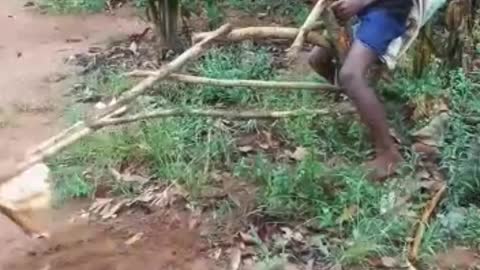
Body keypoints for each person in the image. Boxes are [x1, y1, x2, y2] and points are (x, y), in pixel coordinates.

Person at [309, 0, 413, 181]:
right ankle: (356, 99)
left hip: (387, 12)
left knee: (350, 75)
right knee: (317, 60)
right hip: (364, 12)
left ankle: (389, 153)